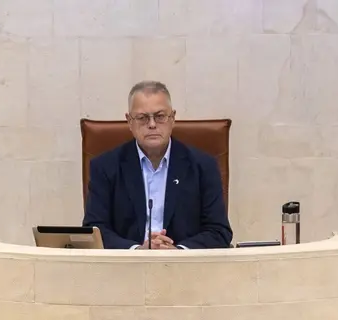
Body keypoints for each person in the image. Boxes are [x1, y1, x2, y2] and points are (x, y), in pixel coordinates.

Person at [83, 80, 233, 250]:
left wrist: (179, 251)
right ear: (129, 121)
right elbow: (94, 230)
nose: (152, 124)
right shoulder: (104, 167)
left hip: (186, 268)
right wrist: (137, 250)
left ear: (173, 118)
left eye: (160, 116)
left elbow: (219, 231)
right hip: (126, 268)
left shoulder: (203, 166)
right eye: (142, 118)